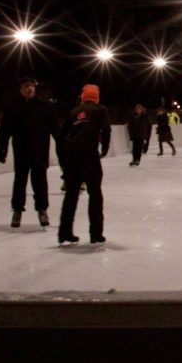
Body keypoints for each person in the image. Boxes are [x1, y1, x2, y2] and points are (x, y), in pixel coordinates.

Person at [0, 77, 60, 228]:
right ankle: (17, 210)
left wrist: (62, 145)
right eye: (26, 86)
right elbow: (4, 130)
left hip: (40, 150)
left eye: (31, 86)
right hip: (21, 151)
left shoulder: (44, 106)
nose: (29, 89)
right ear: (20, 89)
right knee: (20, 181)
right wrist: (2, 149)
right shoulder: (13, 107)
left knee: (40, 182)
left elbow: (55, 128)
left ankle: (42, 210)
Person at [57, 84, 111, 245]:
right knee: (95, 194)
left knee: (71, 195)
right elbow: (106, 130)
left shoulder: (74, 112)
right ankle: (95, 234)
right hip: (89, 155)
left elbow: (61, 135)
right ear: (96, 97)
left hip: (71, 157)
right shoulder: (100, 110)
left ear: (83, 97)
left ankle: (64, 232)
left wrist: (63, 159)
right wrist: (105, 149)